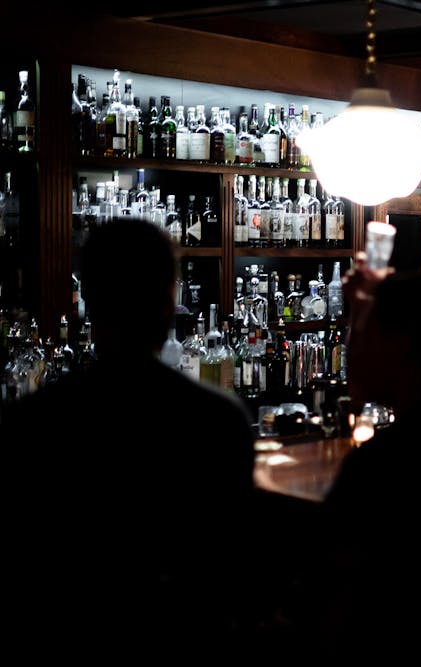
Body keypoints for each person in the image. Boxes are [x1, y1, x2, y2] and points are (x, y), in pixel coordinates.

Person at [0, 219, 258, 660]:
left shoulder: (32, 421)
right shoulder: (216, 421)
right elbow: (234, 574)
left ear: (90, 306)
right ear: (167, 303)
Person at [304, 271, 421, 660]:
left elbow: (337, 618)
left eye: (366, 333)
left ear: (402, 347)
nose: (353, 351)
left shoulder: (379, 469)